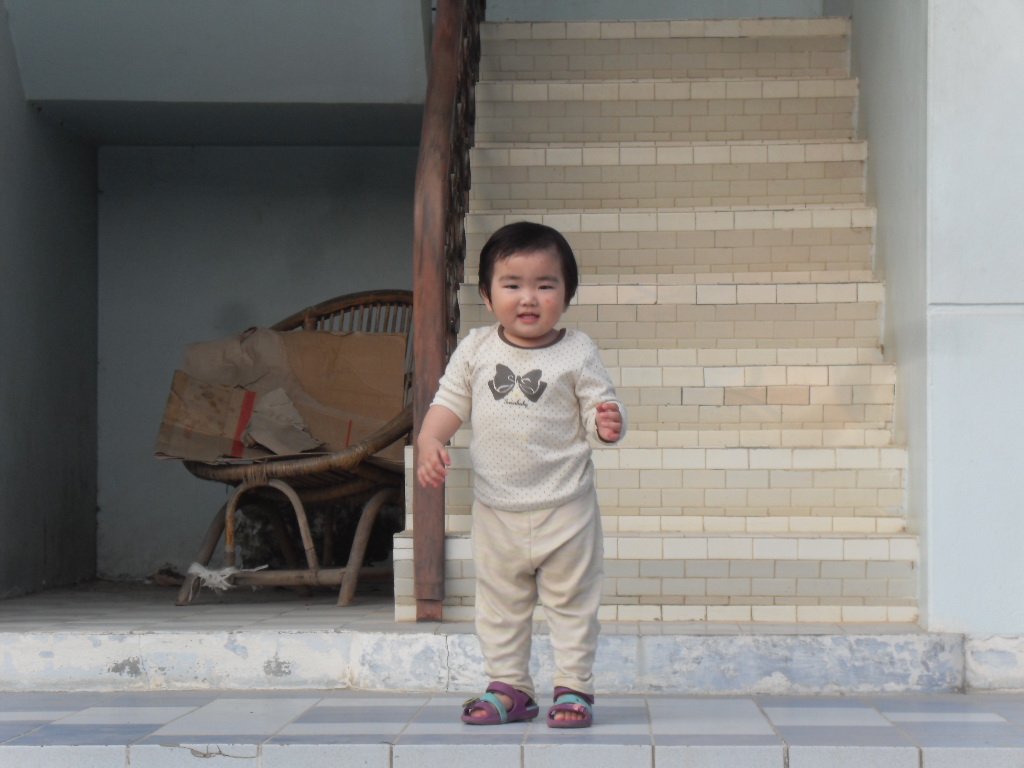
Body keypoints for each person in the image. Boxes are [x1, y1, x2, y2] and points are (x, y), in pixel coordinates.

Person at [416, 221, 626, 729]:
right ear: (488, 296)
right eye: (512, 285)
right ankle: (510, 688)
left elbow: (598, 410)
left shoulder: (578, 351)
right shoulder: (476, 349)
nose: (528, 297)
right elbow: (449, 401)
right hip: (496, 509)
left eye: (545, 285)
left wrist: (607, 424)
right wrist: (429, 439)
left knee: (572, 605)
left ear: (567, 294)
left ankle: (574, 687)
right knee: (500, 607)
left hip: (566, 506)